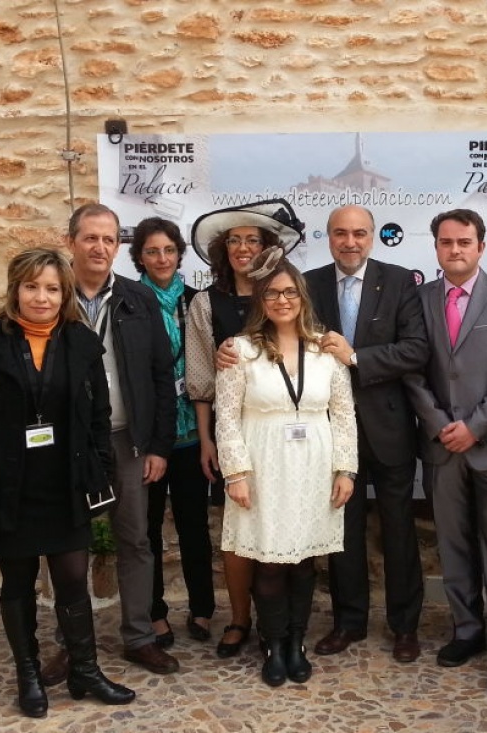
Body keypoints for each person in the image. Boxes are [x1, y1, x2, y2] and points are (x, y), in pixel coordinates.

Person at [0, 247, 134, 717]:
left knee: (73, 579)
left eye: (52, 288)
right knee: (18, 580)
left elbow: (98, 416)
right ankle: (28, 673)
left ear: (64, 293)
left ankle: (85, 669)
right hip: (11, 486)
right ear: (15, 289)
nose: (42, 297)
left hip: (66, 482)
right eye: (32, 286)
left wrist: (100, 468)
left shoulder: (82, 342)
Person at [41, 203, 180, 682]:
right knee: (66, 542)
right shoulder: (51, 297)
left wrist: (159, 445)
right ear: (72, 241)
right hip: (67, 444)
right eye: (91, 238)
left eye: (109, 240)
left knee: (136, 540)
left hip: (128, 442)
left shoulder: (138, 300)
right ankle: (71, 644)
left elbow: (163, 376)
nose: (100, 248)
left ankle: (139, 636)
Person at [402, 208, 487, 697]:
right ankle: (467, 631)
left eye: (464, 242)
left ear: (481, 246)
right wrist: (440, 426)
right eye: (446, 242)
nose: (455, 249)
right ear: (435, 247)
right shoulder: (419, 300)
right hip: (442, 450)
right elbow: (412, 370)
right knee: (454, 548)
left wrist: (475, 427)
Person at [214, 247, 358, 687]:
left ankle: (296, 641)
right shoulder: (239, 350)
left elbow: (344, 414)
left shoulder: (325, 349)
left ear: (302, 297)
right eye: (273, 293)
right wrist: (236, 473)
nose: (282, 300)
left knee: (303, 562)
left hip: (314, 466)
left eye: (290, 292)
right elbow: (226, 416)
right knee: (271, 562)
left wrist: (345, 470)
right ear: (261, 300)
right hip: (263, 467)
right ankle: (273, 644)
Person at [185, 199, 306, 659]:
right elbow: (200, 379)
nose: (242, 248)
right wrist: (206, 440)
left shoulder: (282, 295)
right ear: (222, 249)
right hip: (233, 435)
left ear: (268, 247)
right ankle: (239, 619)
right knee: (238, 531)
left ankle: (283, 626)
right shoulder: (204, 304)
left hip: (284, 435)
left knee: (283, 524)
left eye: (251, 239)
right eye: (233, 240)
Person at [307, 205, 427, 663]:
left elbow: (416, 349)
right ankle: (348, 622)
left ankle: (405, 626)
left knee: (399, 531)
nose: (350, 242)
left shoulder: (398, 281)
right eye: (341, 233)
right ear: (329, 236)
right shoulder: (309, 283)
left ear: (372, 236)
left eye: (359, 233)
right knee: (344, 531)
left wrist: (356, 357)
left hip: (389, 426)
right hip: (331, 432)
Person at [127, 217, 215, 648]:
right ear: (139, 257)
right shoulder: (129, 303)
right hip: (148, 440)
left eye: (168, 250)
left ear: (180, 253)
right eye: (151, 251)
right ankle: (155, 612)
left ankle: (202, 608)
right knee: (147, 531)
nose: (161, 258)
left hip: (192, 436)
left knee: (194, 526)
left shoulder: (199, 300)